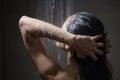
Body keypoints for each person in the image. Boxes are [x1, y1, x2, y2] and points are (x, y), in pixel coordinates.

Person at [19, 12, 112, 80]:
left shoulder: (55, 77)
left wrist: (72, 39)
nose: (59, 30)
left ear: (68, 45)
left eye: (63, 31)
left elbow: (24, 23)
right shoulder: (105, 69)